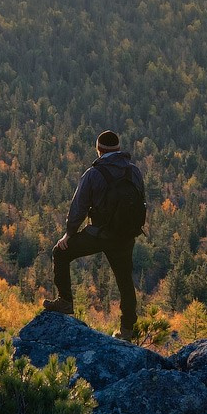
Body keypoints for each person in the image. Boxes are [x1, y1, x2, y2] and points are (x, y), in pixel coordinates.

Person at [42, 129, 148, 340]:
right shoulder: (134, 171)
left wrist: (68, 235)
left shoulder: (93, 174)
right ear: (118, 149)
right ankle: (127, 330)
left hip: (99, 234)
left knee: (60, 253)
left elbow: (78, 208)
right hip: (125, 236)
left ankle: (65, 302)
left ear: (98, 150)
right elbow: (141, 201)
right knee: (125, 281)